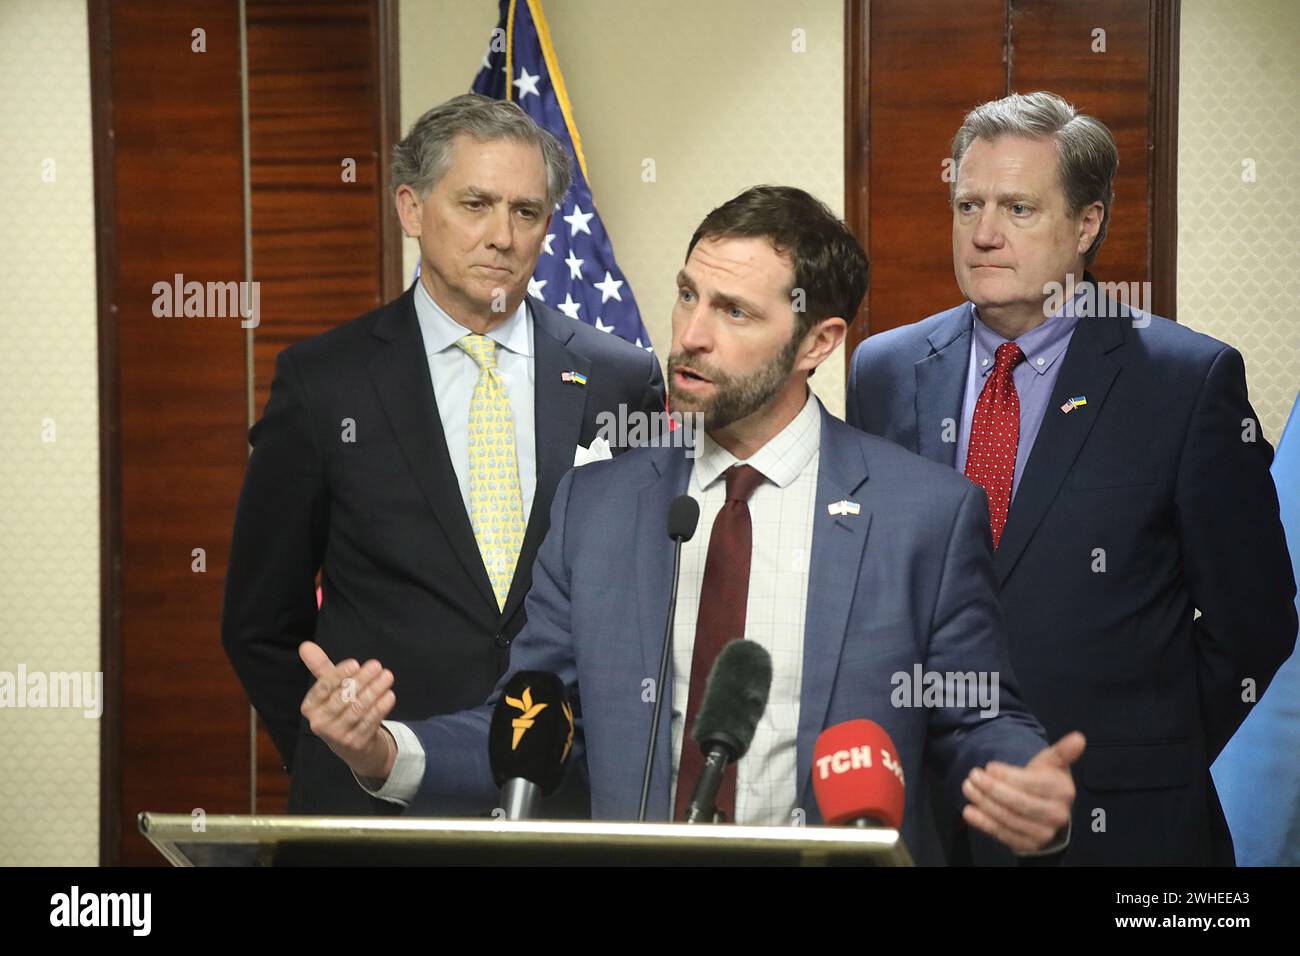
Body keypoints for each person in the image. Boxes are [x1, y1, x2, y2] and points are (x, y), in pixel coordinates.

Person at [297, 185, 1083, 862]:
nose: (691, 336)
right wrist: (384, 748)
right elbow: (529, 723)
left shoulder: (925, 517)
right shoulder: (596, 505)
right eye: (687, 295)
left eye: (733, 310)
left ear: (818, 341)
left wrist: (1025, 786)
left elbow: (979, 717)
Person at [847, 91, 1296, 864]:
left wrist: (1145, 748)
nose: (984, 234)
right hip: (930, 817)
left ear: (1086, 224)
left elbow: (1252, 622)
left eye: (1018, 209)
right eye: (968, 205)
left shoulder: (1187, 380)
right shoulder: (885, 368)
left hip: (1121, 824)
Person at [221, 94, 665, 814]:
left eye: (525, 212)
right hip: (378, 813)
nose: (502, 236)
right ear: (411, 209)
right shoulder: (322, 382)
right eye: (475, 204)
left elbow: (644, 610)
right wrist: (338, 752)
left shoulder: (620, 377)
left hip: (561, 806)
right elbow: (258, 622)